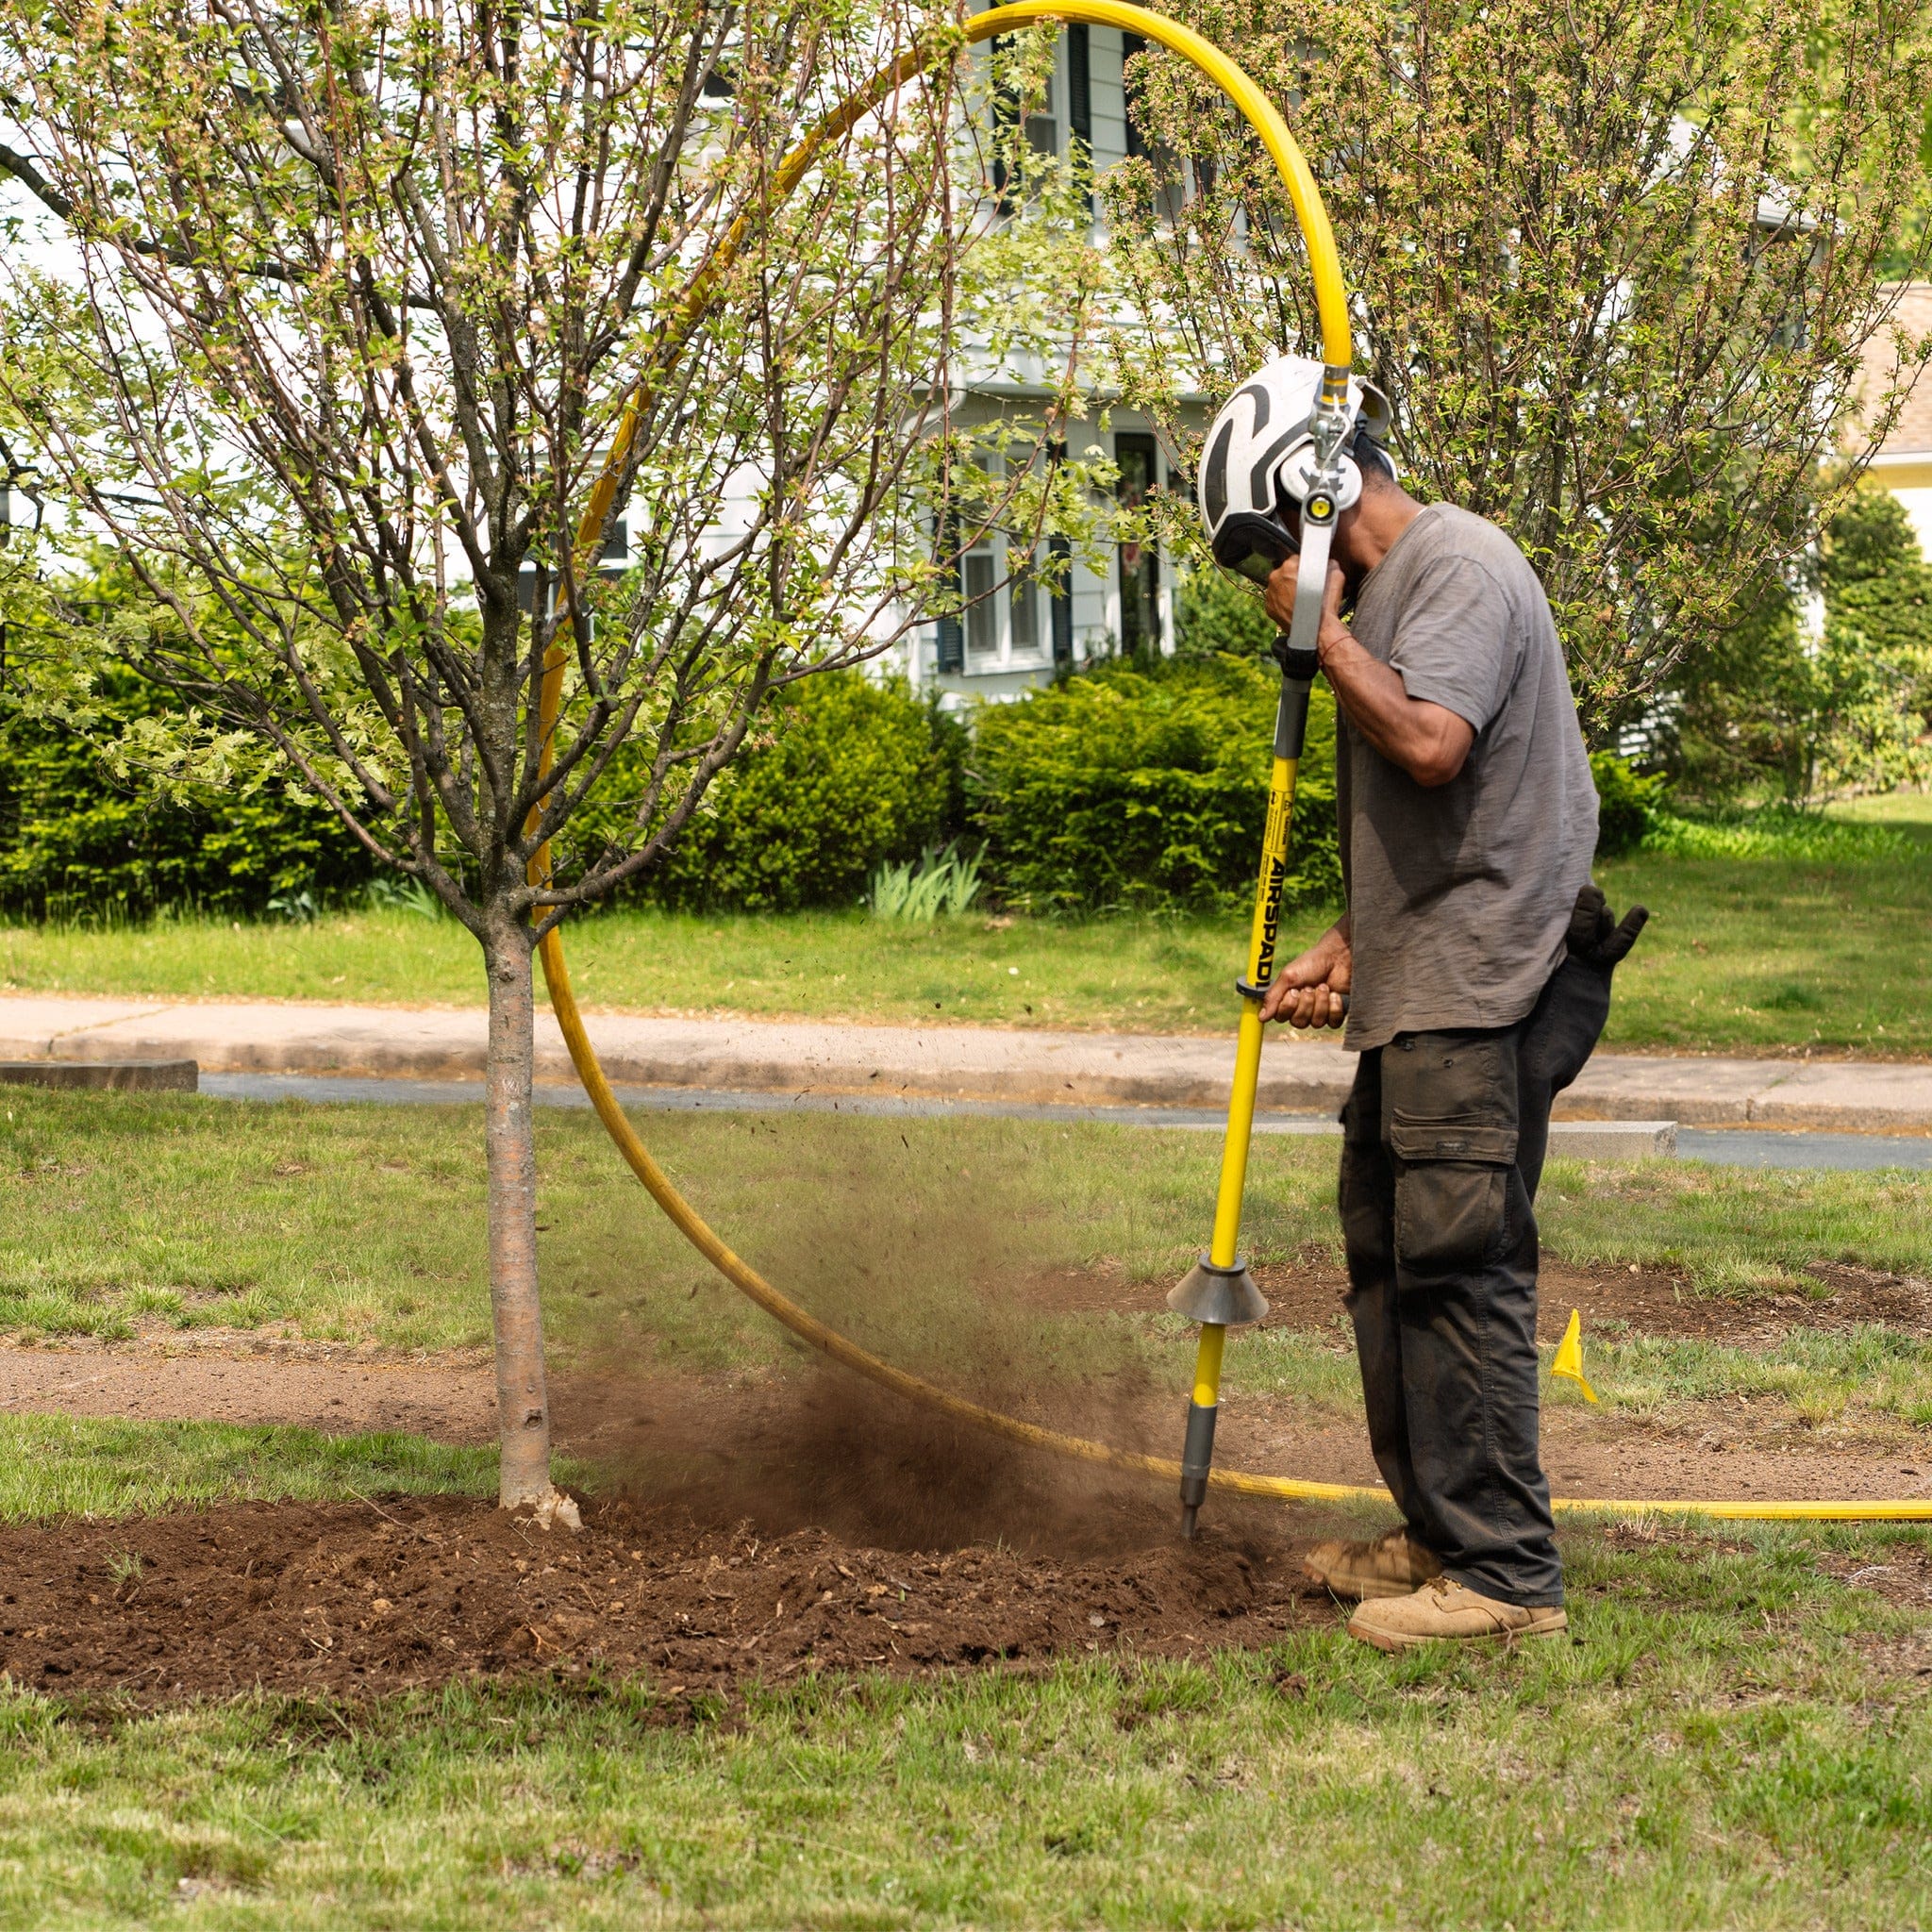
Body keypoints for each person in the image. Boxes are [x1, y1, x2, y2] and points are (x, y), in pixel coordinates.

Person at [1255, 440, 1645, 1653]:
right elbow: (1457, 819)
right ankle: (1437, 1534)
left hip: (1484, 996)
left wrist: (1322, 640)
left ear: (1314, 497)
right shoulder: (1400, 594)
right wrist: (1350, 940)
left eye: (1272, 547)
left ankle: (1507, 1576)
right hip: (1423, 987)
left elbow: (1432, 746)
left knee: (1459, 1269)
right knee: (1386, 1254)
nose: (1270, 577)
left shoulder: (1458, 564)